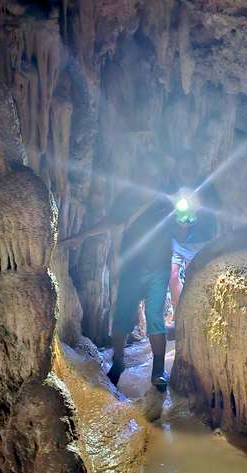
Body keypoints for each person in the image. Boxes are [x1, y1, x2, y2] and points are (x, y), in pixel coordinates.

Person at [59, 152, 174, 391]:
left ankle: (158, 369)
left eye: (154, 176)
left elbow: (179, 232)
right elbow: (111, 221)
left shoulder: (165, 202)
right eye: (146, 174)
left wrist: (187, 223)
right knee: (122, 317)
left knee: (154, 316)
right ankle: (118, 361)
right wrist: (82, 235)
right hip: (133, 267)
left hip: (158, 270)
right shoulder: (128, 198)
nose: (150, 179)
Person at [168, 150, 222, 323]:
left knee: (195, 278)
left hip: (201, 241)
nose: (185, 171)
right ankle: (182, 308)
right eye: (182, 167)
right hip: (177, 240)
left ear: (194, 166)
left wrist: (203, 203)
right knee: (171, 276)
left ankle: (197, 314)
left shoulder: (204, 185)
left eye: (188, 167)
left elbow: (217, 207)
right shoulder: (172, 185)